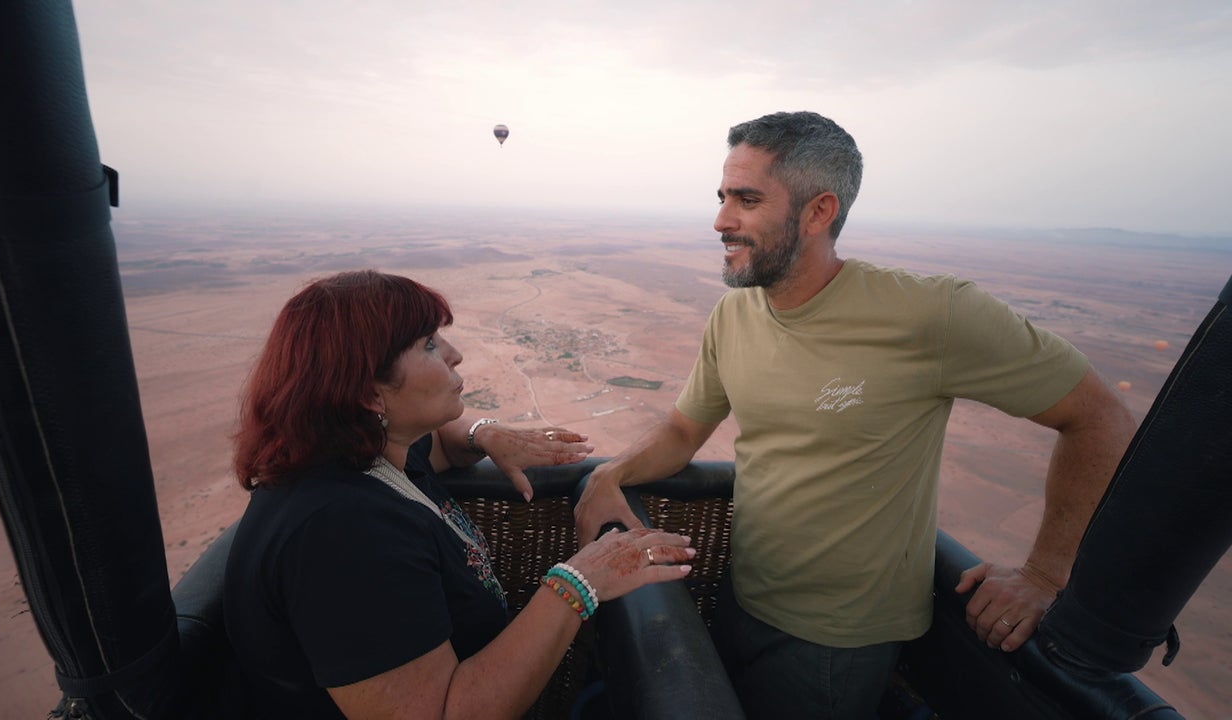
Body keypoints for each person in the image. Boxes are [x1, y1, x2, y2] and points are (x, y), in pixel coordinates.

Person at [573, 111, 1137, 718]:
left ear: (819, 212)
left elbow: (1100, 417)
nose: (720, 221)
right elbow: (684, 430)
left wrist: (1046, 574)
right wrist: (609, 474)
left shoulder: (932, 314)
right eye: (722, 198)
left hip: (839, 641)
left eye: (747, 199)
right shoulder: (734, 315)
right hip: (743, 599)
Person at [224, 270, 695, 719]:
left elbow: (447, 439)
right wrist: (580, 582)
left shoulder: (371, 455)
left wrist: (485, 434)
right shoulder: (343, 534)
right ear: (369, 394)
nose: (454, 354)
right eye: (429, 344)